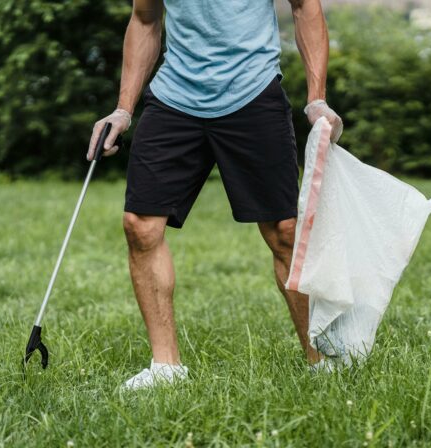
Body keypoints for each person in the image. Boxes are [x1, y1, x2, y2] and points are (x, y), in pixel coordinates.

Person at [86, 0, 343, 390]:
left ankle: (320, 360)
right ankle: (165, 367)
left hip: (253, 93)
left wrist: (317, 98)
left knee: (284, 231)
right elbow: (144, 19)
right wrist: (123, 110)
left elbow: (305, 6)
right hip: (174, 98)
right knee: (140, 225)